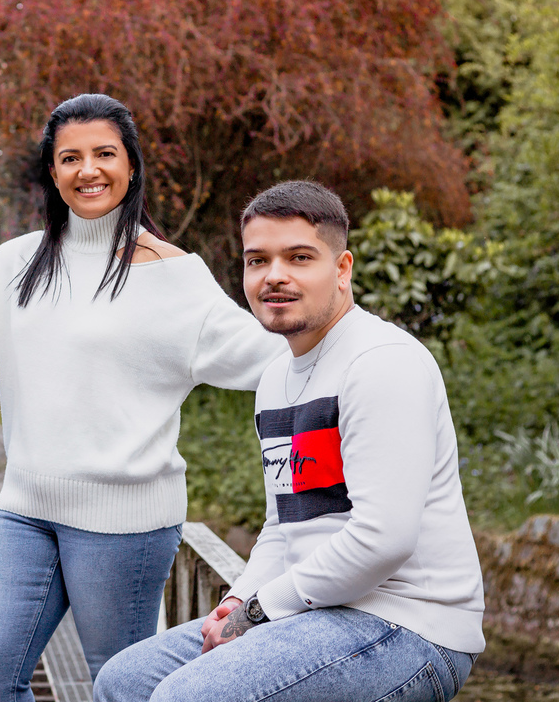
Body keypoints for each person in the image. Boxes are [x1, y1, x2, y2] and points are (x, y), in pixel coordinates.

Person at [0, 94, 287, 702]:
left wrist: (360, 353)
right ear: (52, 172)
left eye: (104, 154)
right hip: (28, 508)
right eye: (70, 157)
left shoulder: (177, 278)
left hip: (124, 525)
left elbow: (272, 358)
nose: (87, 170)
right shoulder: (17, 266)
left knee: (117, 684)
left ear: (131, 165)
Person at [92, 180, 486, 702]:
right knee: (122, 682)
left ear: (342, 269)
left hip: (410, 625)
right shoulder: (278, 375)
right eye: (258, 261)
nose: (275, 276)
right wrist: (236, 604)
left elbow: (383, 538)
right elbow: (283, 525)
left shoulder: (383, 363)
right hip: (316, 614)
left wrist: (261, 611)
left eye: (299, 257)